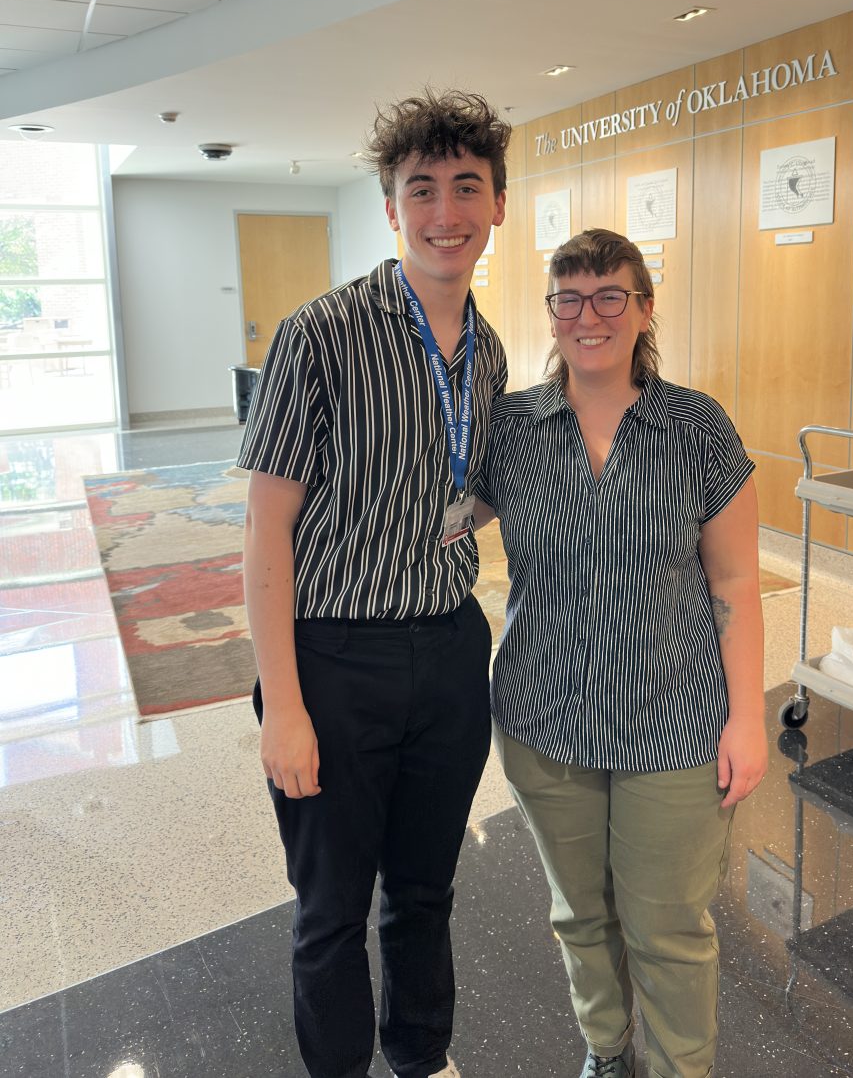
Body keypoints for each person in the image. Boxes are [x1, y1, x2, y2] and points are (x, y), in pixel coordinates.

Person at [238, 90, 510, 1078]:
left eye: (466, 186)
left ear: (499, 205)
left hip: (446, 650)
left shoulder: (491, 354)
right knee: (329, 911)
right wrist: (284, 706)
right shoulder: (320, 334)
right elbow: (267, 527)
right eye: (421, 189)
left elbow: (459, 495)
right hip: (332, 654)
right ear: (392, 207)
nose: (446, 210)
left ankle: (422, 1058)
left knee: (425, 894)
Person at [477, 228, 767, 1078]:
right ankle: (607, 1049)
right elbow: (437, 515)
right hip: (544, 718)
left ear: (644, 309)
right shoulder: (512, 428)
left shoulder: (696, 428)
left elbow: (738, 587)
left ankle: (683, 1067)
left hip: (673, 726)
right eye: (568, 297)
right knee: (579, 913)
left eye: (611, 295)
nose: (588, 314)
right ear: (551, 313)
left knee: (669, 926)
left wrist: (747, 718)